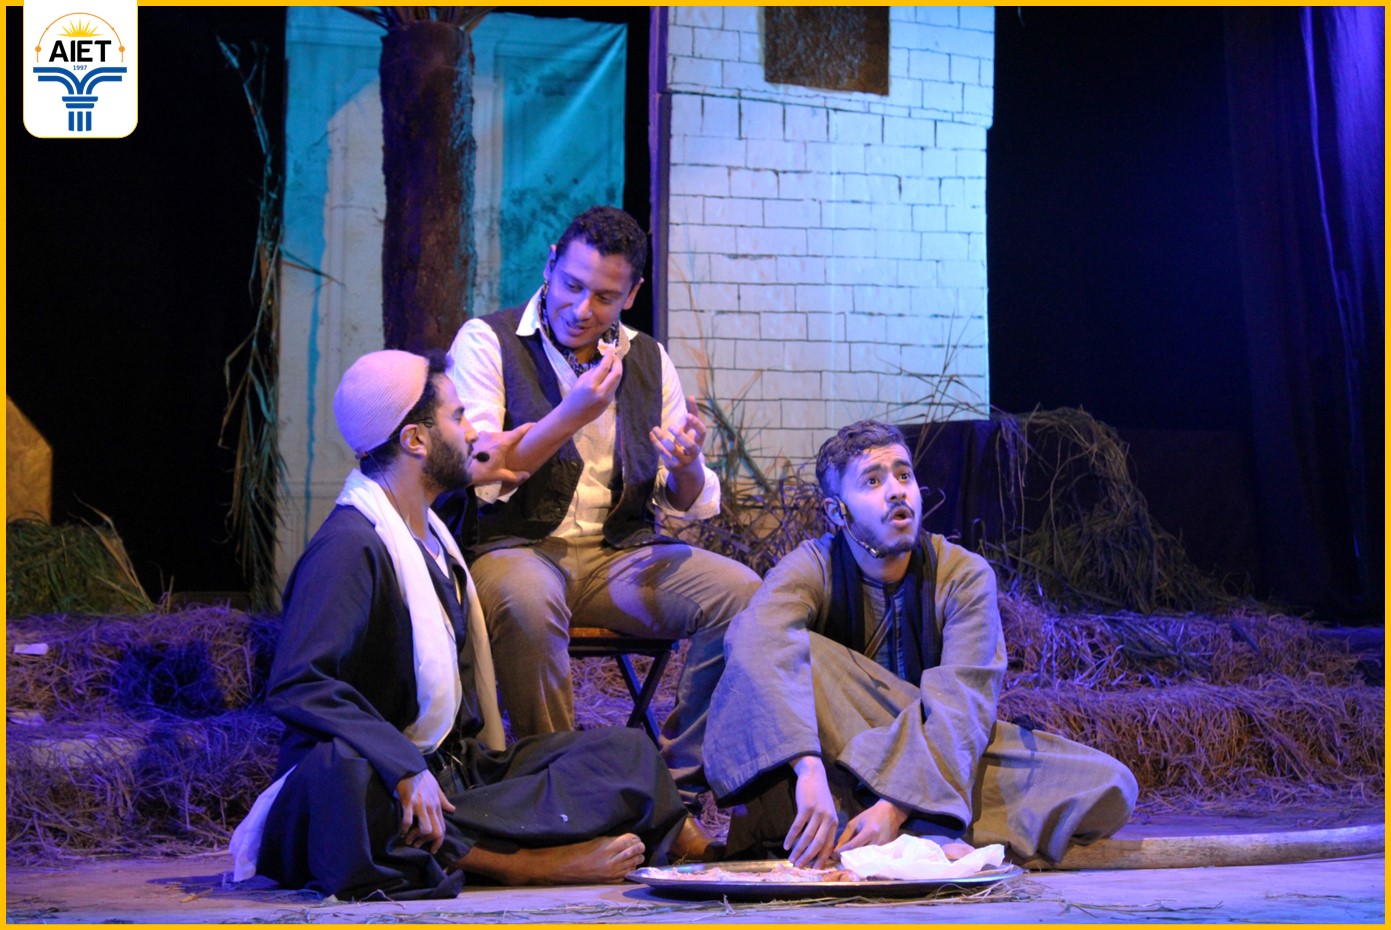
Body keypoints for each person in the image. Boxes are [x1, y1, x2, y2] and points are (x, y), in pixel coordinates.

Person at [229, 349, 706, 900]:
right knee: (346, 782)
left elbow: (471, 469)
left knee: (624, 754)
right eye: (457, 417)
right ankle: (519, 864)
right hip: (383, 782)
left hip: (451, 778)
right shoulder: (349, 547)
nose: (475, 430)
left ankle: (693, 852)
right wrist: (402, 766)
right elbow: (299, 683)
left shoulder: (428, 529)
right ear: (415, 439)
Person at [705, 419, 1138, 868]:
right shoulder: (813, 566)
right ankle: (925, 833)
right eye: (873, 481)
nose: (897, 491)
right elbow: (756, 643)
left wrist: (894, 808)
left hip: (937, 752)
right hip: (836, 750)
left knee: (1108, 784)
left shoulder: (963, 576)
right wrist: (806, 766)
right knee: (786, 647)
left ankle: (894, 828)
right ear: (837, 511)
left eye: (904, 475)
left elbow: (961, 705)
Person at [445, 205, 760, 814]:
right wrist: (572, 415)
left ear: (631, 294)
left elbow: (684, 500)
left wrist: (688, 463)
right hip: (515, 549)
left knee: (743, 595)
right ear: (550, 264)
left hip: (617, 554)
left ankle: (675, 786)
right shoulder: (488, 341)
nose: (582, 308)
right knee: (527, 601)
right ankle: (563, 792)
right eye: (572, 285)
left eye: (605, 297)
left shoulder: (648, 359)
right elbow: (481, 470)